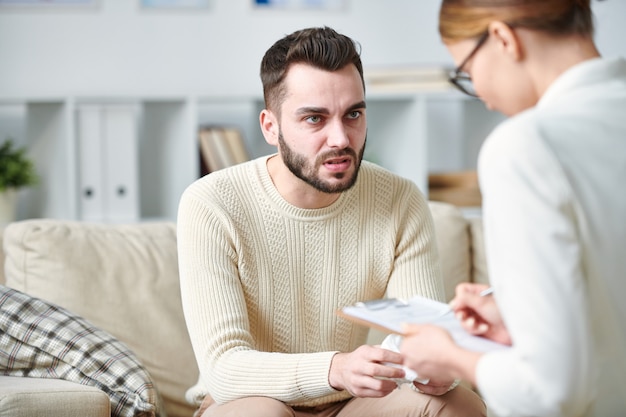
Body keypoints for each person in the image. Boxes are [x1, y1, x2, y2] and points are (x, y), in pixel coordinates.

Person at [177, 26, 486, 417]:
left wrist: (438, 368)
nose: (340, 138)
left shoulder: (399, 199)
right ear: (270, 126)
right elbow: (224, 369)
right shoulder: (211, 203)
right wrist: (336, 368)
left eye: (353, 114)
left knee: (455, 405)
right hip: (247, 399)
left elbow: (421, 335)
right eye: (314, 119)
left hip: (353, 405)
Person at [399, 1, 626, 416]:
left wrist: (449, 356)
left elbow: (550, 392)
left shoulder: (525, 147)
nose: (481, 95)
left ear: (504, 38)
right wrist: (522, 315)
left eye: (467, 72)